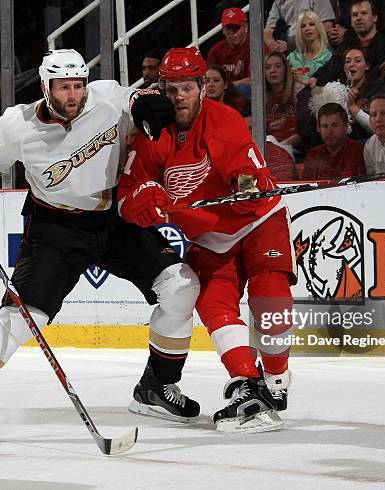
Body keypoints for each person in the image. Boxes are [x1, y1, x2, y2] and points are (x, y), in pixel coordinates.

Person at [0, 49, 201, 442]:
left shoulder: (106, 98)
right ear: (46, 87)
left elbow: (134, 98)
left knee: (181, 286)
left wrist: (147, 104)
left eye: (78, 85)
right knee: (27, 318)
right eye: (63, 87)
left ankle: (157, 387)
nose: (73, 95)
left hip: (114, 220)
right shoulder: (17, 125)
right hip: (55, 229)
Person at [118, 47, 295, 433]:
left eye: (187, 87)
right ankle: (247, 385)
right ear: (160, 90)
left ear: (202, 87)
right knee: (213, 302)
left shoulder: (223, 120)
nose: (179, 97)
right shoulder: (152, 136)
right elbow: (127, 196)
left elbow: (246, 178)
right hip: (211, 236)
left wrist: (247, 187)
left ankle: (277, 380)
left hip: (259, 222)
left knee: (269, 294)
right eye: (171, 89)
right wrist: (141, 202)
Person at [264, 51, 316, 177]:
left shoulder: (299, 92)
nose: (272, 71)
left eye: (278, 66)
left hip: (297, 150)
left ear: (286, 69)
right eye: (267, 67)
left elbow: (304, 131)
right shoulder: (261, 96)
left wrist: (281, 147)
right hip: (271, 148)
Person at [302, 102, 366, 179]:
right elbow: (306, 185)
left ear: (345, 127)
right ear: (318, 128)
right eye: (325, 126)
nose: (329, 131)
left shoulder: (357, 151)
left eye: (335, 125)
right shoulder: (314, 154)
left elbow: (346, 185)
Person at [264, 0, 336, 53]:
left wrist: (292, 45)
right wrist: (274, 46)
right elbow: (268, 31)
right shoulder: (278, 2)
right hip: (286, 49)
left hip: (313, 47)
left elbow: (327, 27)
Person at [207, 8, 251, 89]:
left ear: (246, 28)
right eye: (228, 28)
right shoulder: (216, 51)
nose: (232, 32)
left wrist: (226, 86)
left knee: (244, 89)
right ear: (223, 30)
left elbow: (255, 80)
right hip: (224, 92)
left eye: (236, 28)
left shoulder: (255, 46)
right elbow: (208, 79)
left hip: (248, 94)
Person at [287, 10, 333, 88]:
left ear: (318, 27)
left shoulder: (328, 56)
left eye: (311, 24)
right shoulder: (292, 57)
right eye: (303, 26)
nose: (307, 28)